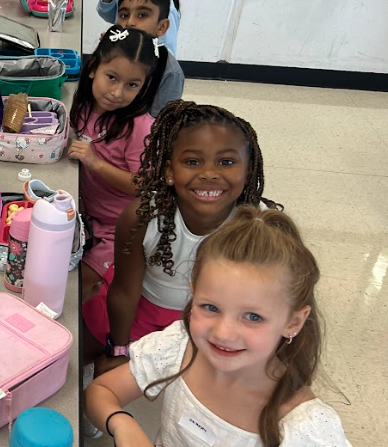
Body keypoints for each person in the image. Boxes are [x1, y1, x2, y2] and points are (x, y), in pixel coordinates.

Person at [87, 207, 360, 447]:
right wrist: (123, 424)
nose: (223, 333)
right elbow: (102, 391)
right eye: (211, 307)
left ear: (293, 322)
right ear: (192, 294)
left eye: (253, 316)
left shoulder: (303, 431)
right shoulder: (180, 346)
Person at [84, 101, 281, 377]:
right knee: (82, 360)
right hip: (144, 310)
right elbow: (125, 292)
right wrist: (120, 349)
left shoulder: (262, 226)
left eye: (226, 162)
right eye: (192, 162)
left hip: (219, 322)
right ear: (168, 171)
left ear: (248, 171)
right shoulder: (142, 217)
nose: (209, 173)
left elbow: (274, 301)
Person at [68, 25, 164, 302]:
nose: (118, 92)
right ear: (92, 69)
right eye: (112, 77)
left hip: (123, 229)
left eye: (132, 85)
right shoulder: (85, 104)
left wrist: (95, 164)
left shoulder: (139, 127)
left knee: (79, 289)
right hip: (88, 216)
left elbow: (145, 186)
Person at [115, 0, 184, 117]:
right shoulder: (112, 52)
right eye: (124, 15)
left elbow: (160, 124)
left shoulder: (170, 72)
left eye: (142, 15)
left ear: (161, 27)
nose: (129, 22)